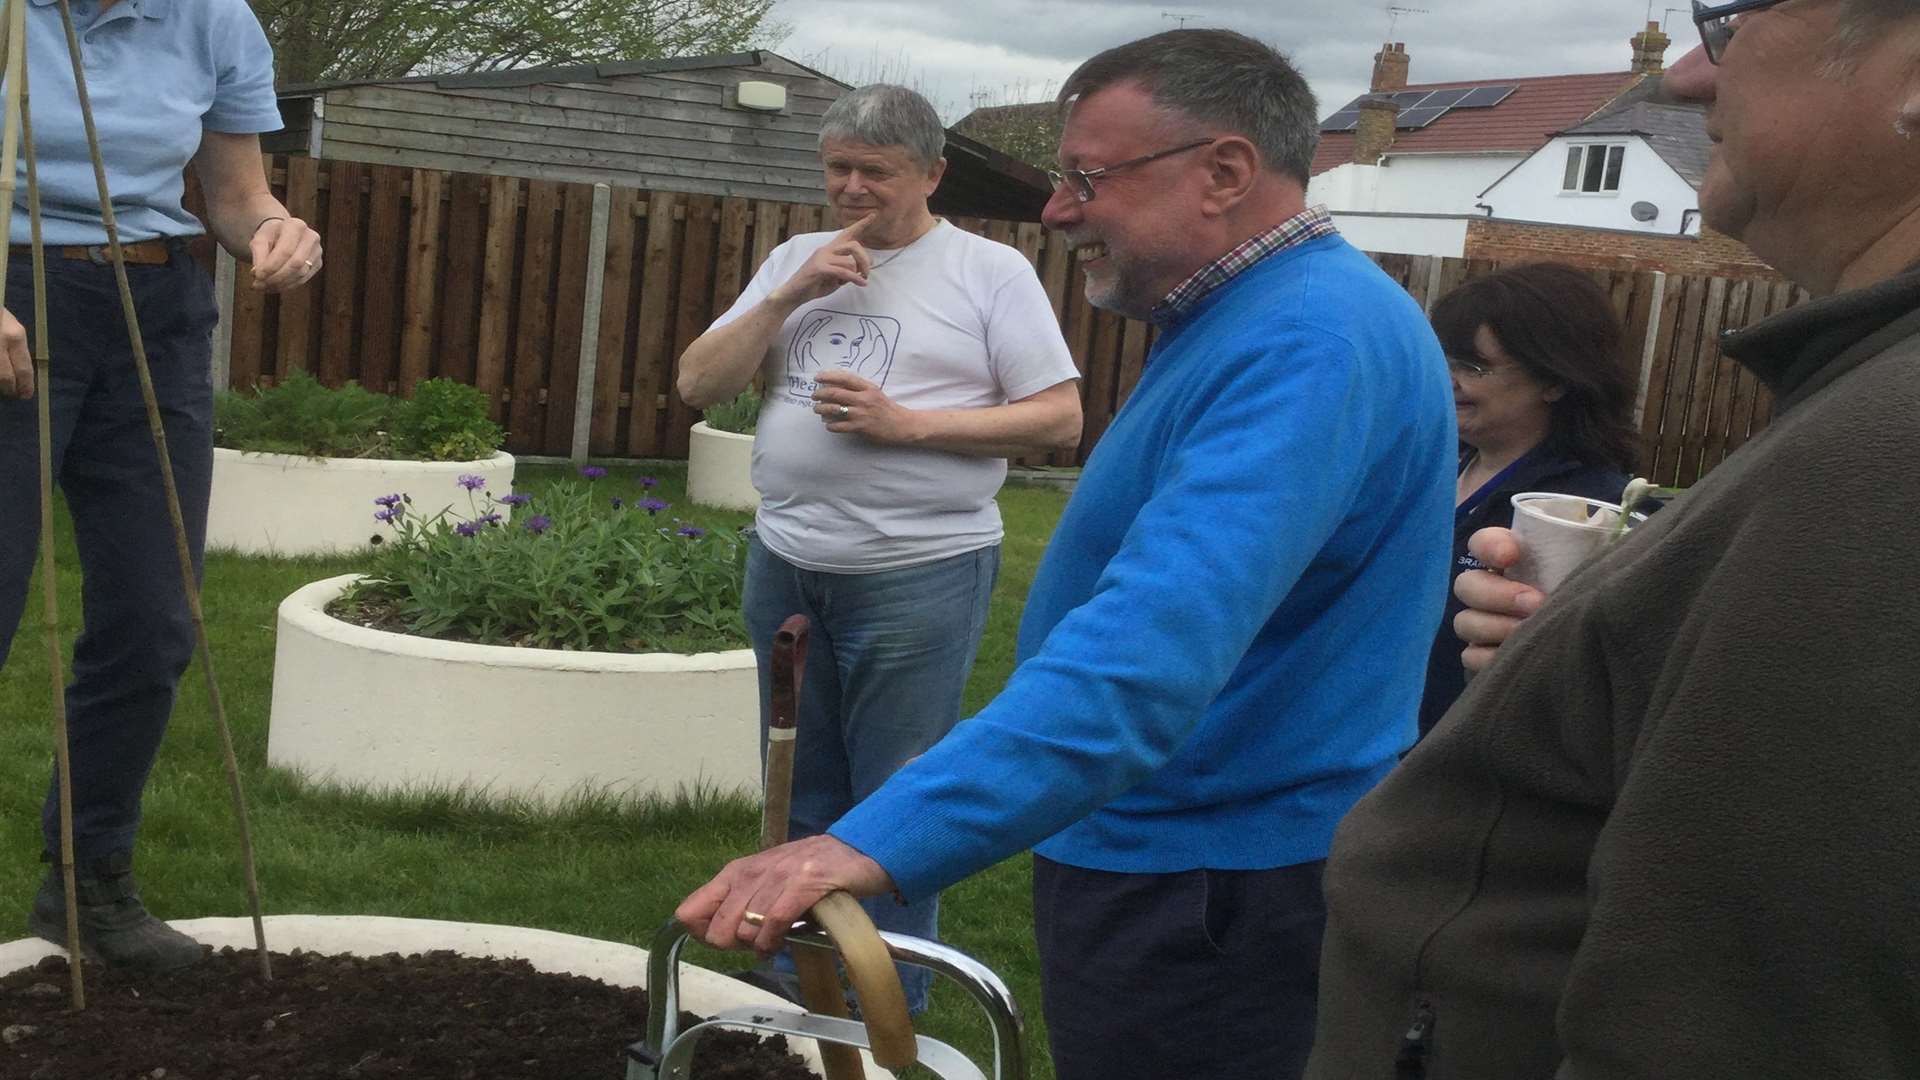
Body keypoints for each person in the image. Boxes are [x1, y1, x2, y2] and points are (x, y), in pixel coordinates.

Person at [678, 29, 1454, 1078]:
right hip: (1184, 857)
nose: (1056, 209)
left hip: (1214, 884)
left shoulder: (1305, 341)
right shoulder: (1259, 318)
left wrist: (880, 838)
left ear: (1224, 172)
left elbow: (1144, 658)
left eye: (1088, 177)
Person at [1309, 3, 1920, 1077]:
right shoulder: (1862, 408)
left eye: (1737, 18)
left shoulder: (1892, 452)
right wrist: (1591, 664)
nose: (1686, 77)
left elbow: (1754, 1013)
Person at [673, 83, 1083, 1013]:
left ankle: (887, 1004)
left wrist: (905, 425)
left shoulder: (989, 272)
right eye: (838, 168)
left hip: (918, 574)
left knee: (898, 803)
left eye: (877, 171)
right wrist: (791, 293)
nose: (853, 188)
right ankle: (792, 991)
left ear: (932, 174)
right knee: (795, 783)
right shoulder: (795, 258)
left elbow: (1060, 416)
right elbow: (698, 382)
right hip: (786, 562)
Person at [0, 0, 322, 971]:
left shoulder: (214, 19)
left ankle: (89, 887)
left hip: (156, 308)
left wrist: (274, 231)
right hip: (14, 298)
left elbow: (232, 193)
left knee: (153, 621)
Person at [1418, 263, 1637, 736]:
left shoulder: (1589, 514)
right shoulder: (1437, 469)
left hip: (1468, 766)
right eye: (1443, 358)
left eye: (1472, 367)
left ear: (1555, 379)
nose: (1447, 378)